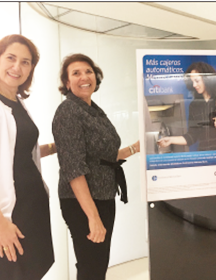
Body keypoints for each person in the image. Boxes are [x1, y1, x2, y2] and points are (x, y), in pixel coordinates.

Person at [52, 53, 140, 280]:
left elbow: (103, 156)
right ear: (67, 82)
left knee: (96, 265)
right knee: (92, 268)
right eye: (76, 73)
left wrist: (136, 148)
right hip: (83, 202)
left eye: (88, 71)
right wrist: (92, 216)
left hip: (103, 196)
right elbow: (73, 168)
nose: (84, 77)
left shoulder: (93, 110)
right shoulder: (69, 111)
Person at [0, 34, 55, 279]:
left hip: (32, 208)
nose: (17, 67)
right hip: (5, 214)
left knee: (31, 271)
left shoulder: (17, 102)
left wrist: (55, 147)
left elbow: (14, 151)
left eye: (26, 62)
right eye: (11, 58)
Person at [158, 61, 216, 151]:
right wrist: (170, 140)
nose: (194, 85)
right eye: (192, 82)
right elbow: (192, 136)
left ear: (207, 79)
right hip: (203, 155)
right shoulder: (194, 105)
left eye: (197, 81)